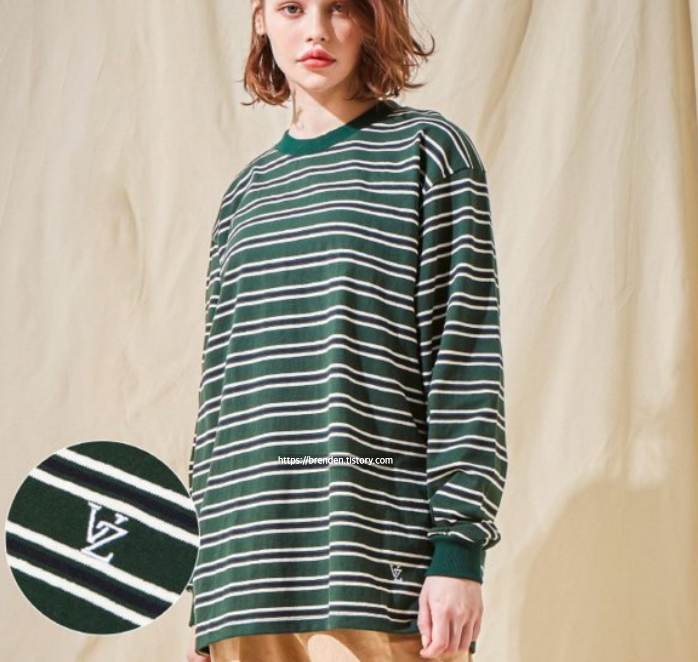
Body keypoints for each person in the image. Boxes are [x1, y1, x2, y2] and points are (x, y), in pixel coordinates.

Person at [185, 0, 508, 660]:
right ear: (260, 19)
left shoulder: (428, 153)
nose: (316, 31)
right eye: (293, 8)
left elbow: (464, 358)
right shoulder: (244, 197)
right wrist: (204, 589)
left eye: (339, 9)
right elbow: (218, 399)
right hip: (244, 562)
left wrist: (459, 550)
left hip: (385, 549)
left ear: (371, 19)